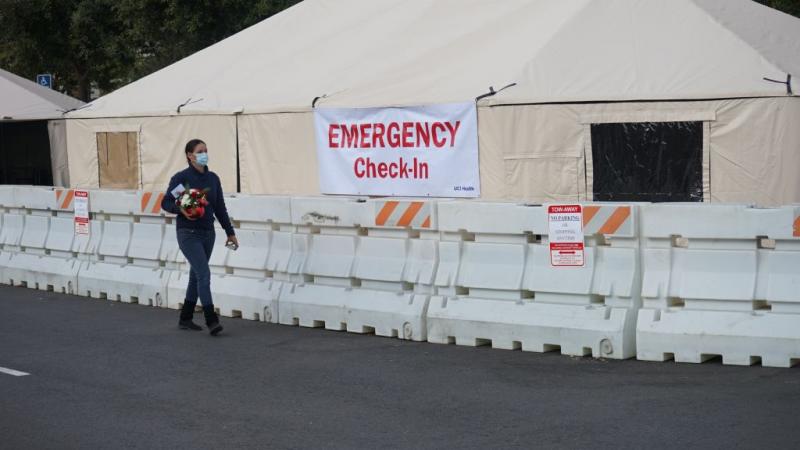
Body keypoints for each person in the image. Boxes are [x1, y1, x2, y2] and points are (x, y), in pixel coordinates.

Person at [161, 139, 239, 335]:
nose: (204, 153)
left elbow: (220, 207)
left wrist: (230, 232)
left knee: (196, 274)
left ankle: (185, 318)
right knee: (204, 274)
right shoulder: (182, 178)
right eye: (200, 151)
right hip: (188, 233)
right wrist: (181, 209)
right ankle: (211, 320)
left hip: (208, 233)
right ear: (190, 155)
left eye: (206, 150)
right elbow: (166, 202)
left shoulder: (213, 178)